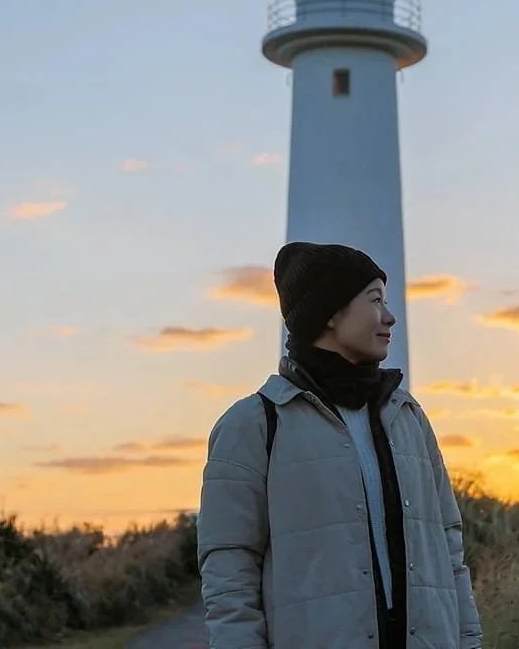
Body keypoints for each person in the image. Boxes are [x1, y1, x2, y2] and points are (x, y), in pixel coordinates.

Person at [197, 241, 483, 649]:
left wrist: (469, 641)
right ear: (330, 313)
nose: (390, 316)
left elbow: (449, 548)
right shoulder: (254, 424)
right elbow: (229, 569)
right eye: (375, 300)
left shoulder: (408, 417)